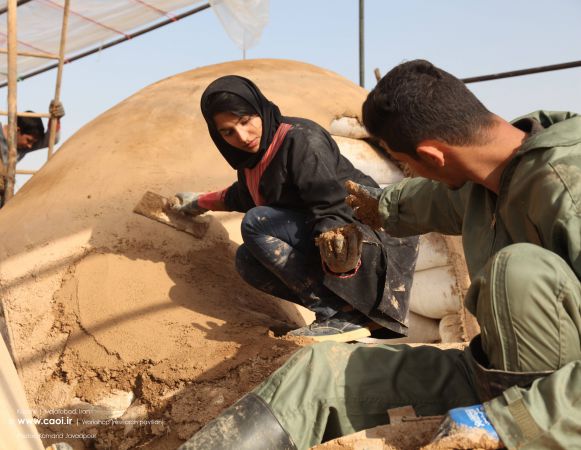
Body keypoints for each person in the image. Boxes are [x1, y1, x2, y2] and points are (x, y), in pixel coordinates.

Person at [178, 60, 580, 450]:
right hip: (491, 372)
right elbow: (423, 199)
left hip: (556, 405)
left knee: (519, 272)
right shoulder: (485, 176)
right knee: (316, 376)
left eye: (406, 164)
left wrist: (512, 423)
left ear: (433, 156)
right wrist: (375, 205)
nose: (243, 135)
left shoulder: (567, 192)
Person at [172, 75, 419, 342]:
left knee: (256, 223)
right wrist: (198, 203)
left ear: (259, 109)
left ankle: (339, 314)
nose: (242, 136)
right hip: (338, 243)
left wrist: (338, 253)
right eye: (228, 132)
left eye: (245, 121)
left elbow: (331, 203)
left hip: (365, 245)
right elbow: (243, 196)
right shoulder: (253, 160)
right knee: (247, 261)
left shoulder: (300, 140)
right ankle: (341, 314)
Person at [0, 100, 65, 206]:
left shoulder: (22, 147)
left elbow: (52, 139)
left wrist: (56, 118)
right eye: (29, 140)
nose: (30, 146)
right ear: (16, 130)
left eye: (33, 143)